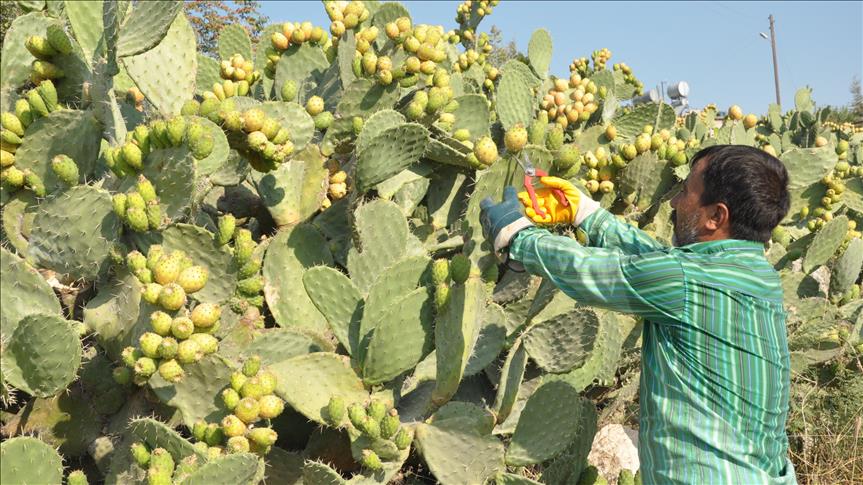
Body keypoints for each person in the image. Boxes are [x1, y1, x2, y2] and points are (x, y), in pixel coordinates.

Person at [479, 144, 797, 484]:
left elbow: (595, 272)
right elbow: (661, 264)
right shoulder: (756, 274)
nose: (675, 202)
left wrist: (518, 237)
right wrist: (586, 213)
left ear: (716, 216)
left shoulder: (685, 282)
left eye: (686, 191)